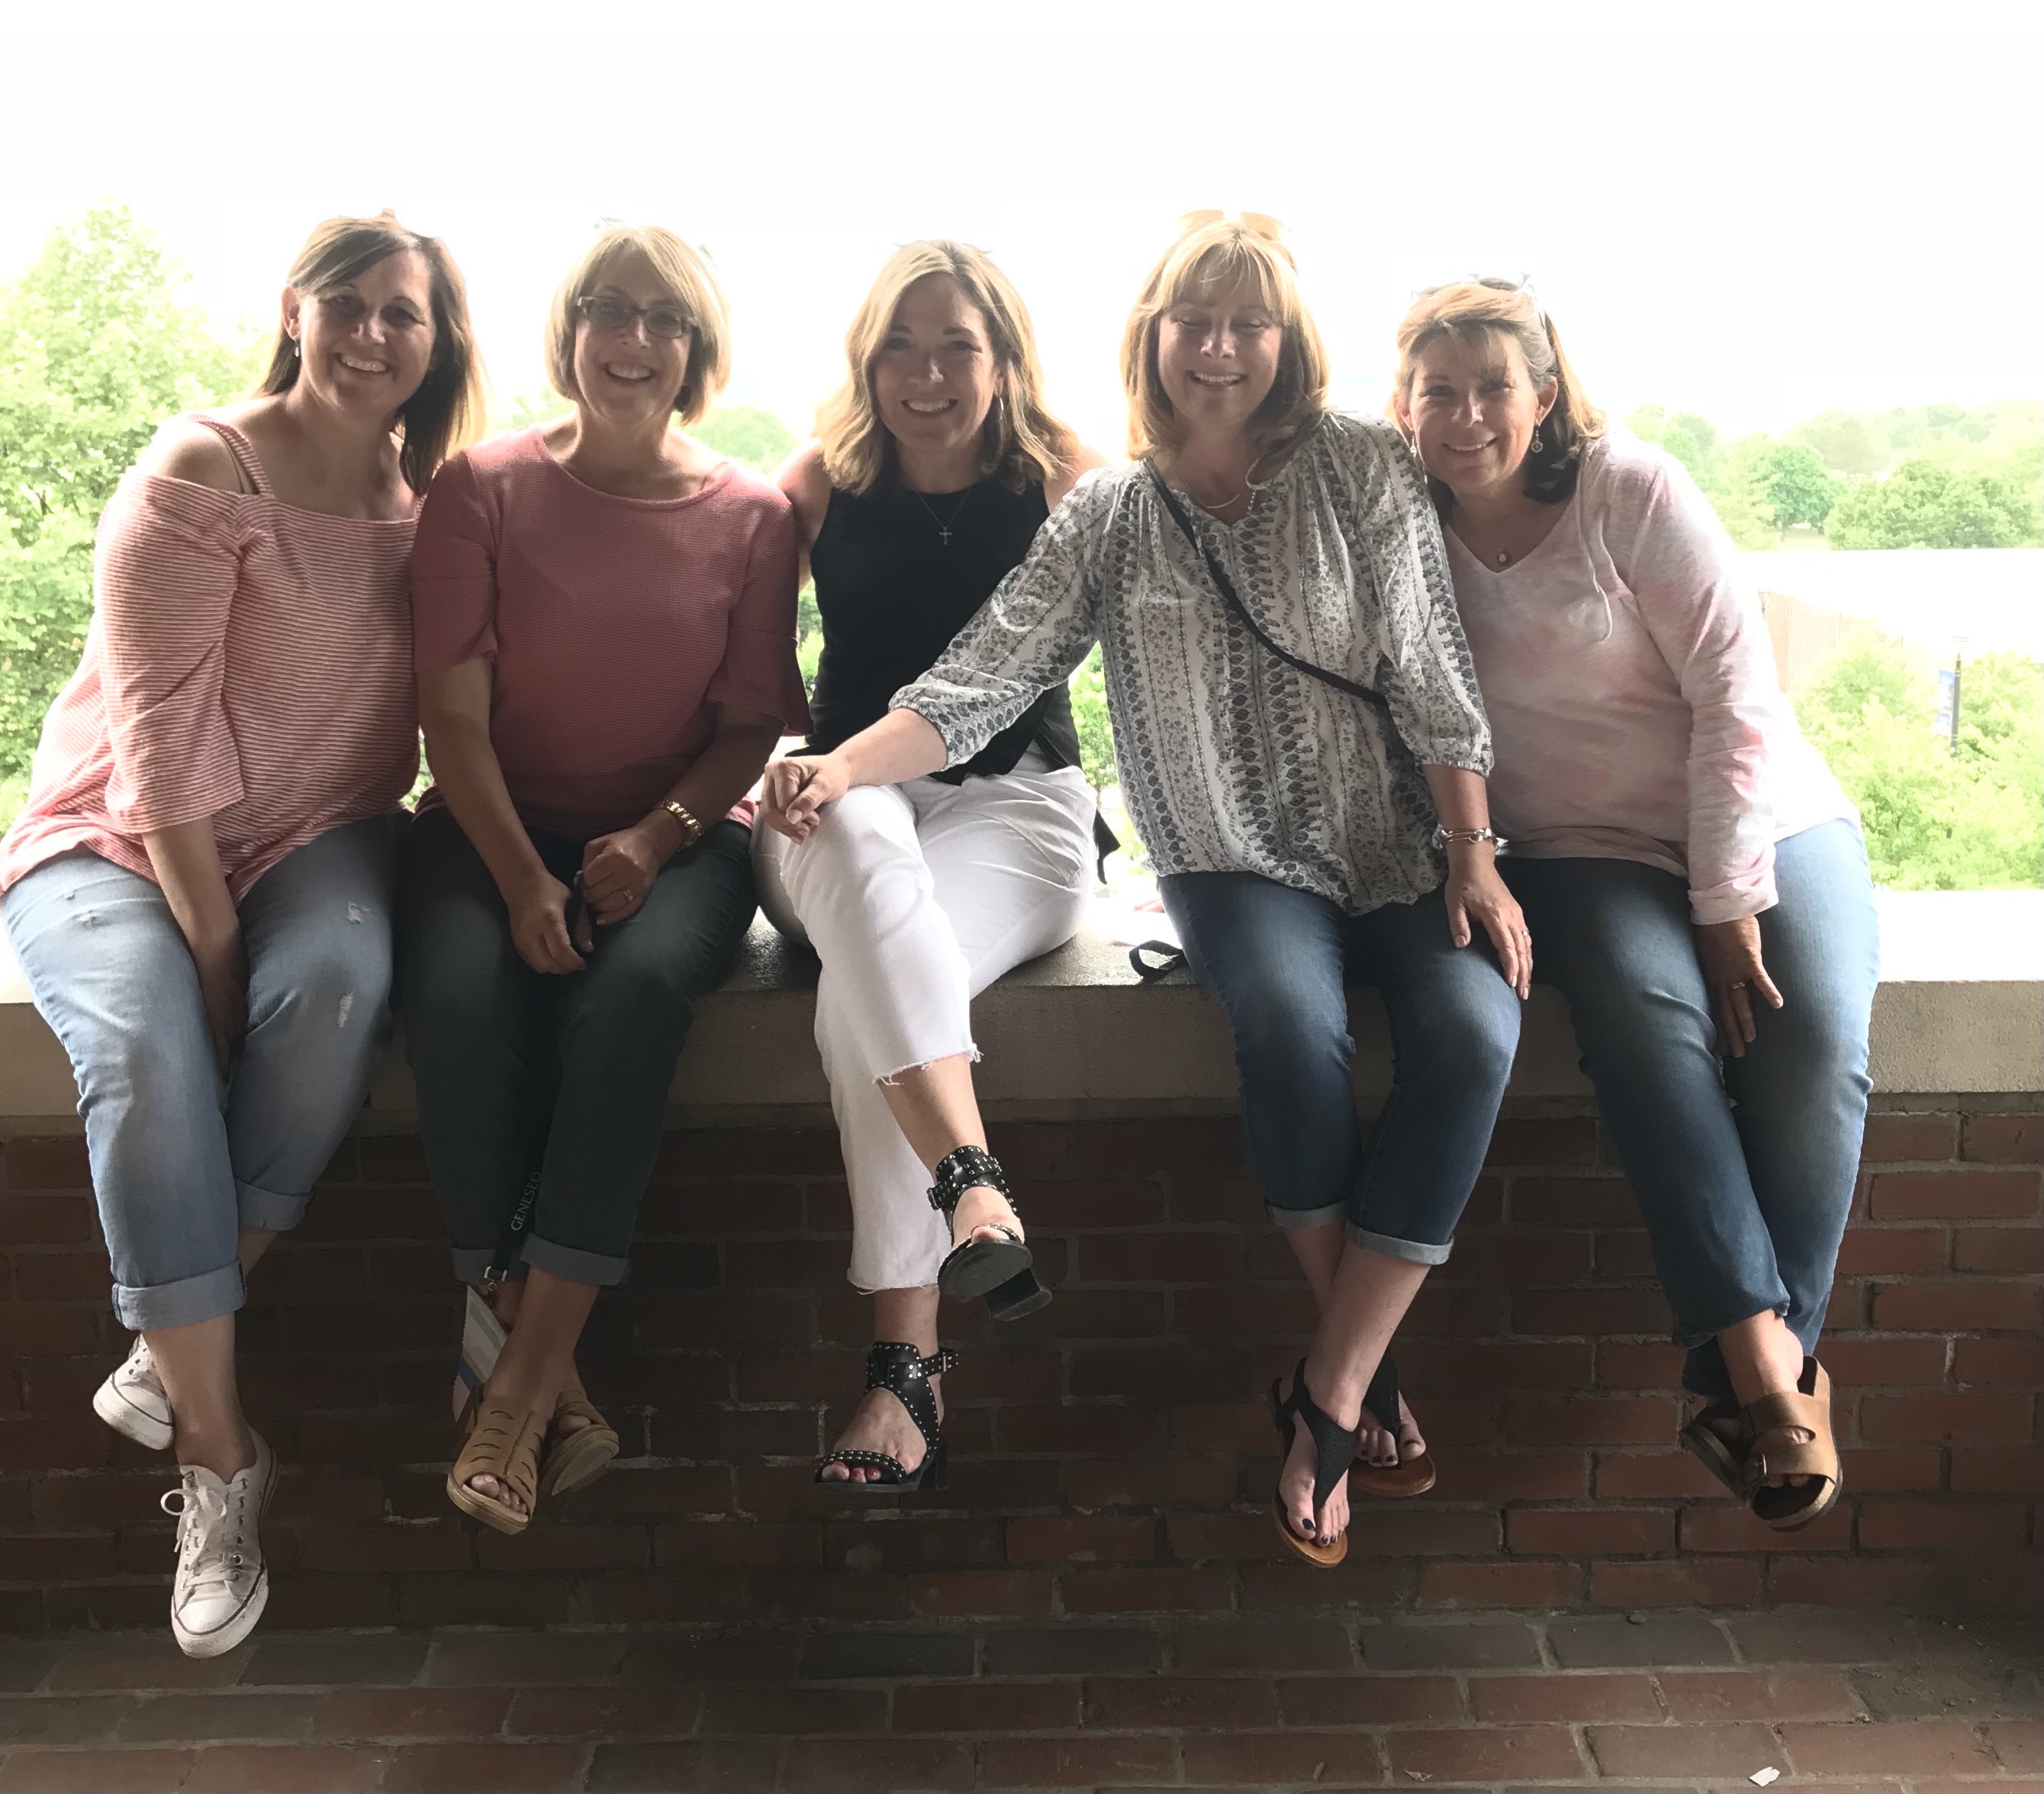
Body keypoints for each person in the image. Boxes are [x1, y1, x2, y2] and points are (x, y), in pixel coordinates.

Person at [766, 214, 1529, 1564]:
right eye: (1194, 320)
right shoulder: (1111, 510)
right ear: (1153, 339)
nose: (1219, 347)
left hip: (1392, 839)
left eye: (1248, 323)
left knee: (1474, 1032)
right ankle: (1352, 1371)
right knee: (1293, 1032)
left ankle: (1336, 1376)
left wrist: (1472, 844)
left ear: (1286, 342)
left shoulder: (1360, 462)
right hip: (1230, 857)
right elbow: (982, 677)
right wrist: (839, 769)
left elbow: (1426, 660)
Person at [0, 215, 484, 1655]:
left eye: (409, 314)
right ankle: (218, 1460)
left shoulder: (425, 508)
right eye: (352, 303)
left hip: (320, 834)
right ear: (295, 310)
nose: (376, 334)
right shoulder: (202, 471)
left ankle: (172, 1333)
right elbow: (154, 746)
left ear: (437, 344)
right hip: (116, 836)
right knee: (145, 1050)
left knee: (334, 989)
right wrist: (210, 951)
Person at [1392, 279, 1874, 1529]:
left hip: (1766, 815)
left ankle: (1751, 1370)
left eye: (1492, 385)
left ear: (1542, 395)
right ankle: (1775, 1378)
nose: (1464, 415)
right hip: (1578, 845)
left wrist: (1727, 899)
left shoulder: (1632, 490)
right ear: (1403, 404)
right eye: (1436, 389)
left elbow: (1735, 696)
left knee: (1811, 1033)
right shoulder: (1398, 522)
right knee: (1652, 1029)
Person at [398, 224, 807, 1536]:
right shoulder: (481, 489)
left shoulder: (753, 517)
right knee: (459, 1002)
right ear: (570, 331)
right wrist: (525, 880)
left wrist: (657, 835)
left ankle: (508, 1385)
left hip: (681, 836)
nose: (634, 342)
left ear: (697, 350)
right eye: (609, 312)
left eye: (665, 321)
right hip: (484, 824)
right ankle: (547, 1377)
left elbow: (753, 724)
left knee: (627, 1005)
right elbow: (449, 720)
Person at [755, 242, 1109, 1492]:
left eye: (957, 344)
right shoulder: (812, 485)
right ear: (866, 362)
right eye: (899, 346)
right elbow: (740, 679)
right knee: (857, 847)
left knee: (880, 990)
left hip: (1023, 809)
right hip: (835, 805)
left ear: (1005, 358)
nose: (927, 373)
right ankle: (972, 1185)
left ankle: (907, 1363)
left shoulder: (1070, 485)